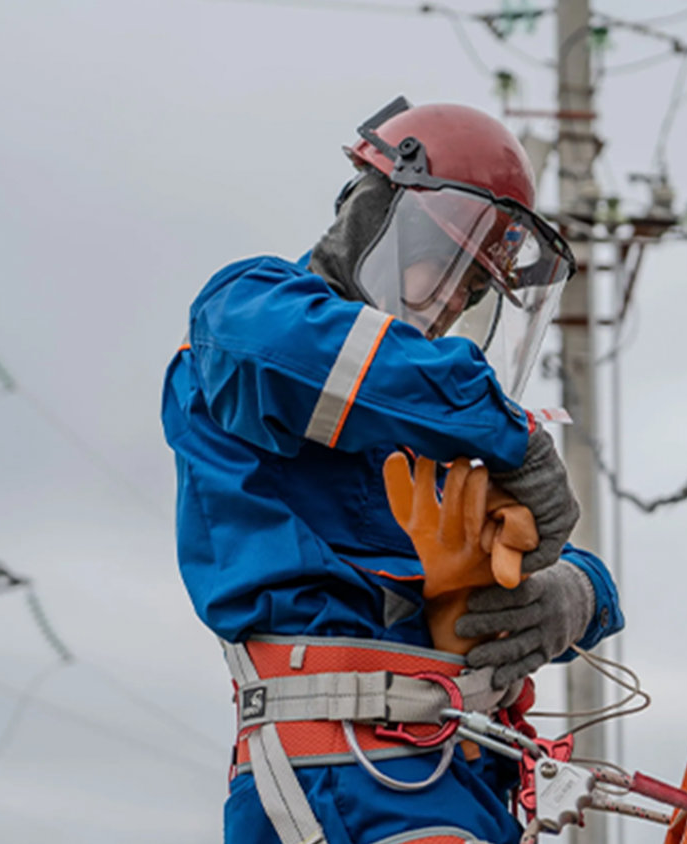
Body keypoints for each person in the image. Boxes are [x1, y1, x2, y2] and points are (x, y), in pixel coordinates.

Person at [162, 97, 623, 844]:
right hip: (344, 771)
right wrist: (503, 430)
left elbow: (506, 547)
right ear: (372, 216)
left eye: (471, 294)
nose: (446, 308)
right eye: (440, 268)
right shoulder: (247, 314)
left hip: (460, 772)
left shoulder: (427, 411)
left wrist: (579, 594)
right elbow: (291, 353)